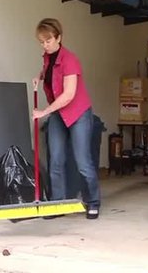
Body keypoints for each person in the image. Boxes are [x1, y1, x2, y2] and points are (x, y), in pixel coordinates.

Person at [32, 18, 101, 219]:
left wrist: (44, 112)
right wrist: (40, 76)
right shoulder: (47, 57)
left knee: (82, 161)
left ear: (59, 38)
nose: (45, 45)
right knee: (56, 160)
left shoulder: (70, 59)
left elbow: (69, 94)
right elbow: (50, 72)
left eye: (48, 40)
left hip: (77, 113)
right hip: (58, 114)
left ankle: (93, 202)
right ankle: (58, 204)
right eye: (42, 41)